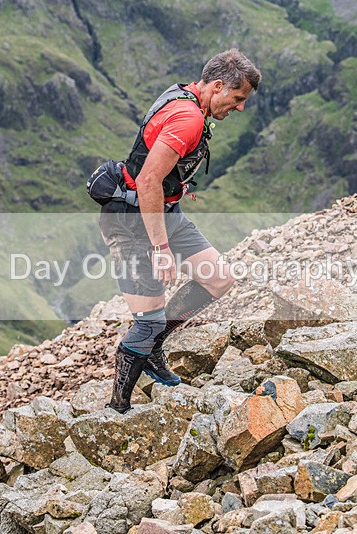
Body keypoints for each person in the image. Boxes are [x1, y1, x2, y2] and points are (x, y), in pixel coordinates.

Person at [99, 49, 261, 413]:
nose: (239, 109)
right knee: (149, 320)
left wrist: (178, 186)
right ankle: (117, 409)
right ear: (217, 86)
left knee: (218, 279)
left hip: (165, 210)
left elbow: (158, 169)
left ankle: (153, 348)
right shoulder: (188, 118)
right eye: (237, 99)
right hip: (130, 219)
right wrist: (160, 247)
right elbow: (148, 179)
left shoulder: (185, 96)